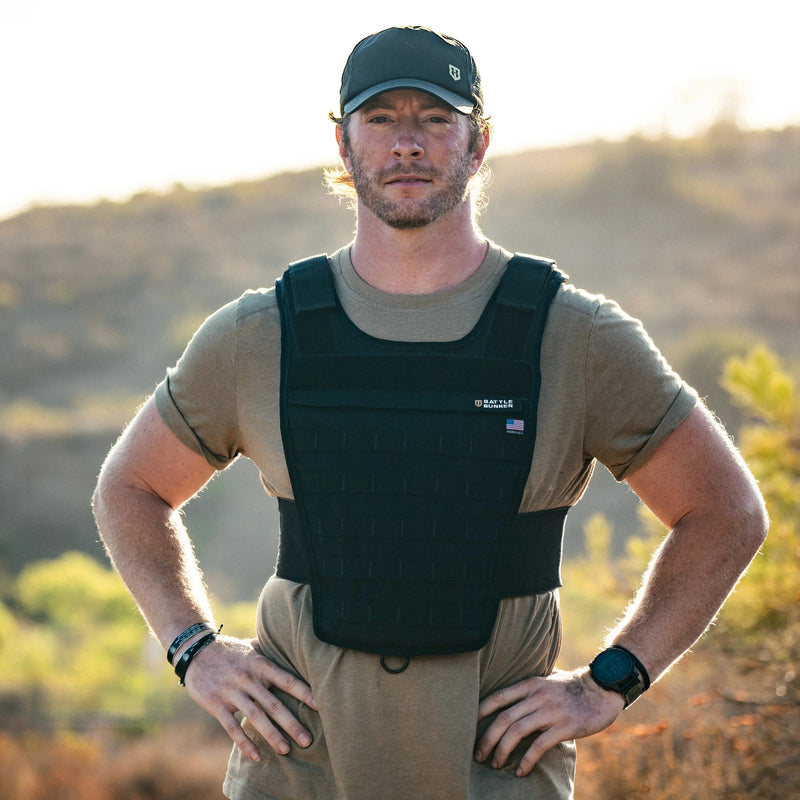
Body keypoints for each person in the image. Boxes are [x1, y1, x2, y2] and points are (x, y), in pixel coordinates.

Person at [92, 25, 768, 800]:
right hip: (301, 773)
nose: (406, 143)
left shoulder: (573, 335)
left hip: (495, 776)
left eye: (436, 119)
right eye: (381, 119)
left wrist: (612, 680)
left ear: (478, 144)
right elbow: (130, 488)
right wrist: (194, 649)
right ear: (343, 144)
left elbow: (726, 512)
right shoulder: (263, 333)